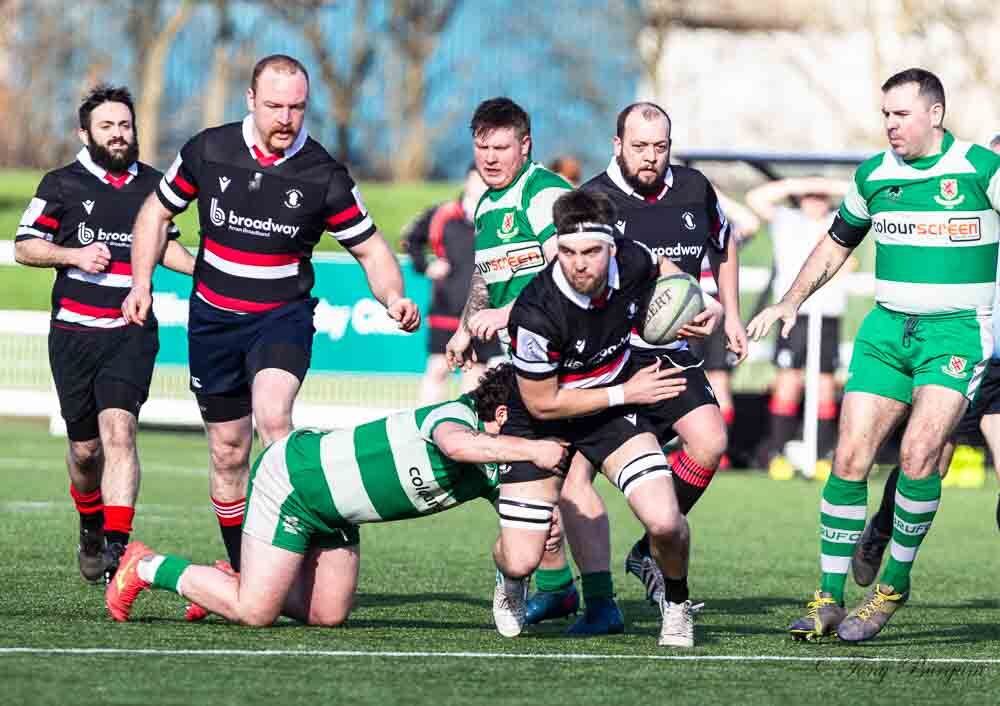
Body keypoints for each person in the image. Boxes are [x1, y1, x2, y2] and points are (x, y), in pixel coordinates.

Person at [122, 55, 420, 577]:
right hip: (212, 321)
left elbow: (372, 250)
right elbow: (156, 212)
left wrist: (392, 296)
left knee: (274, 418)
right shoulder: (209, 150)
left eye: (297, 107)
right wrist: (141, 281)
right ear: (251, 101)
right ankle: (244, 568)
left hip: (280, 317)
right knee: (228, 452)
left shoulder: (323, 175)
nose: (286, 118)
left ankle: (289, 555)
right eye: (276, 106)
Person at [748, 68, 1000, 643]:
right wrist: (790, 300)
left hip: (957, 335)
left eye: (901, 114)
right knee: (849, 460)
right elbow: (837, 242)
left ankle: (890, 586)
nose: (890, 124)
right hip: (885, 331)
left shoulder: (980, 170)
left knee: (918, 455)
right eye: (885, 113)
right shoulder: (874, 175)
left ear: (934, 114)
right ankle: (828, 598)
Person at [105, 365, 570, 626]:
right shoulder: (457, 415)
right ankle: (145, 565)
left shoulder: (505, 462)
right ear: (506, 412)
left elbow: (518, 527)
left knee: (327, 617)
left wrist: (545, 530)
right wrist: (534, 447)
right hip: (295, 481)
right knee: (255, 612)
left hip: (340, 513)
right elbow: (455, 446)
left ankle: (225, 581)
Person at [493, 188, 723, 647]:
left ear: (612, 247)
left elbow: (665, 270)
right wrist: (627, 391)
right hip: (543, 420)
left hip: (609, 411)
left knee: (665, 521)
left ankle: (676, 605)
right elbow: (543, 404)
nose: (579, 264)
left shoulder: (633, 261)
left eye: (592, 252)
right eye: (568, 252)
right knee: (521, 558)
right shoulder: (535, 314)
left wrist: (702, 305)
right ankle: (508, 582)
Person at [445, 97, 622, 634]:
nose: (491, 157)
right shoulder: (487, 203)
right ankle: (557, 589)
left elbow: (566, 263)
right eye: (482, 147)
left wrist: (508, 312)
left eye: (502, 147)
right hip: (519, 366)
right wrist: (464, 325)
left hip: (564, 364)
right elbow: (484, 276)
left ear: (526, 144)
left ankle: (597, 601)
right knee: (532, 479)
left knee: (566, 481)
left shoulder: (544, 193)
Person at [14, 84, 194, 583]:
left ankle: (117, 549)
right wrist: (73, 254)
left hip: (129, 330)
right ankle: (90, 523)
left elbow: (165, 248)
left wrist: (207, 271)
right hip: (73, 335)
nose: (119, 135)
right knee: (85, 450)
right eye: (108, 126)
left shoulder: (156, 187)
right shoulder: (61, 184)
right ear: (85, 133)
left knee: (121, 432)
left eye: (125, 125)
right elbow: (24, 246)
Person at [580, 102, 746, 605]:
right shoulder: (593, 201)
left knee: (710, 442)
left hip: (671, 354)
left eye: (660, 146)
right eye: (639, 147)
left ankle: (651, 549)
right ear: (617, 145)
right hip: (608, 358)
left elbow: (726, 240)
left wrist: (729, 312)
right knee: (569, 484)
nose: (651, 157)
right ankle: (570, 592)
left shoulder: (694, 188)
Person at [745, 176, 851, 480]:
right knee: (787, 381)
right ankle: (778, 452)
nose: (814, 200)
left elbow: (860, 194)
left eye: (819, 196)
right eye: (809, 196)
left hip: (828, 314)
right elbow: (756, 197)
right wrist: (797, 185)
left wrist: (823, 185)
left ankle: (821, 454)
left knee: (825, 385)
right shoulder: (786, 220)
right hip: (795, 314)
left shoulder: (838, 220)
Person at [403, 165, 499, 404]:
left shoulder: (499, 217)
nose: (482, 185)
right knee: (438, 367)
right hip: (446, 306)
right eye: (478, 180)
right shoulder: (442, 215)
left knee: (476, 372)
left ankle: (465, 431)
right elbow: (410, 239)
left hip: (483, 309)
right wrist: (426, 266)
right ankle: (426, 426)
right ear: (467, 181)